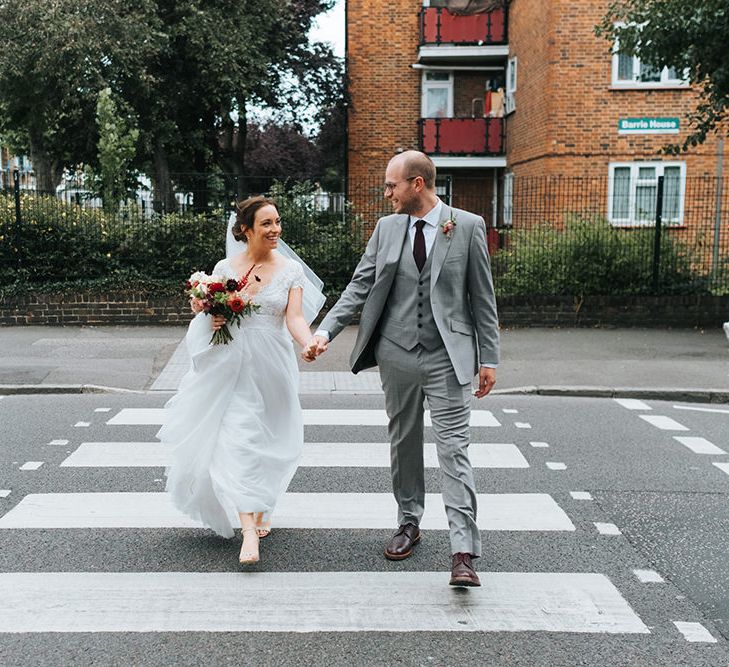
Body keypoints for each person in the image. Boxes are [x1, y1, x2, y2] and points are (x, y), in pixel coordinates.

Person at [305, 151, 500, 587]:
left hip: (449, 355)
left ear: (417, 184)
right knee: (404, 441)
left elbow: (482, 299)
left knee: (454, 450)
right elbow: (360, 285)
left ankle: (463, 551)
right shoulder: (387, 228)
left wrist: (489, 357)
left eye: (392, 185)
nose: (386, 192)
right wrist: (325, 332)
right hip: (396, 353)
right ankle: (409, 520)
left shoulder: (467, 226)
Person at [158, 196, 315, 566]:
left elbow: (294, 318)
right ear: (245, 230)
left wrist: (308, 343)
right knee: (240, 435)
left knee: (272, 439)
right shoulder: (225, 267)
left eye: (277, 222)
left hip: (273, 364)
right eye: (267, 224)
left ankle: (262, 503)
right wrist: (212, 317)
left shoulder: (291, 271)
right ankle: (248, 531)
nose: (275, 229)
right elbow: (214, 311)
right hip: (233, 364)